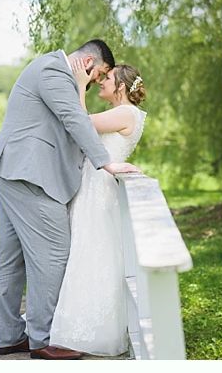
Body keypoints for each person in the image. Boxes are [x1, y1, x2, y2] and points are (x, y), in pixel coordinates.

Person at [0, 40, 139, 360]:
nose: (98, 81)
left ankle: (8, 335)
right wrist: (106, 163)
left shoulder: (51, 70)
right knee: (55, 253)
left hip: (15, 170)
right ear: (87, 63)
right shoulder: (54, 71)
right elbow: (73, 118)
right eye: (99, 75)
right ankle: (42, 339)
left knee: (10, 256)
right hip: (30, 175)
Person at [48, 63, 148, 357]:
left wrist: (80, 85)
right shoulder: (128, 113)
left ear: (121, 86)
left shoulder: (125, 112)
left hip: (97, 190)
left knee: (89, 252)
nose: (101, 81)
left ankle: (86, 328)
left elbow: (81, 123)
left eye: (107, 78)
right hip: (94, 186)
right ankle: (75, 321)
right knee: (89, 251)